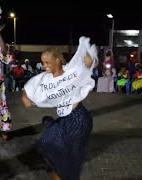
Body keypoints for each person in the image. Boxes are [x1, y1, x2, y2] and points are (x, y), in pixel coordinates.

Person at [21, 36, 97, 180]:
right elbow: (29, 87)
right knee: (45, 144)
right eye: (43, 63)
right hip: (64, 119)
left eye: (47, 62)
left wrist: (88, 57)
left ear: (57, 59)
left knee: (72, 158)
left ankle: (66, 175)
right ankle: (58, 174)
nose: (45, 66)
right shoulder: (45, 78)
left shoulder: (71, 71)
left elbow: (88, 64)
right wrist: (25, 97)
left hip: (78, 118)